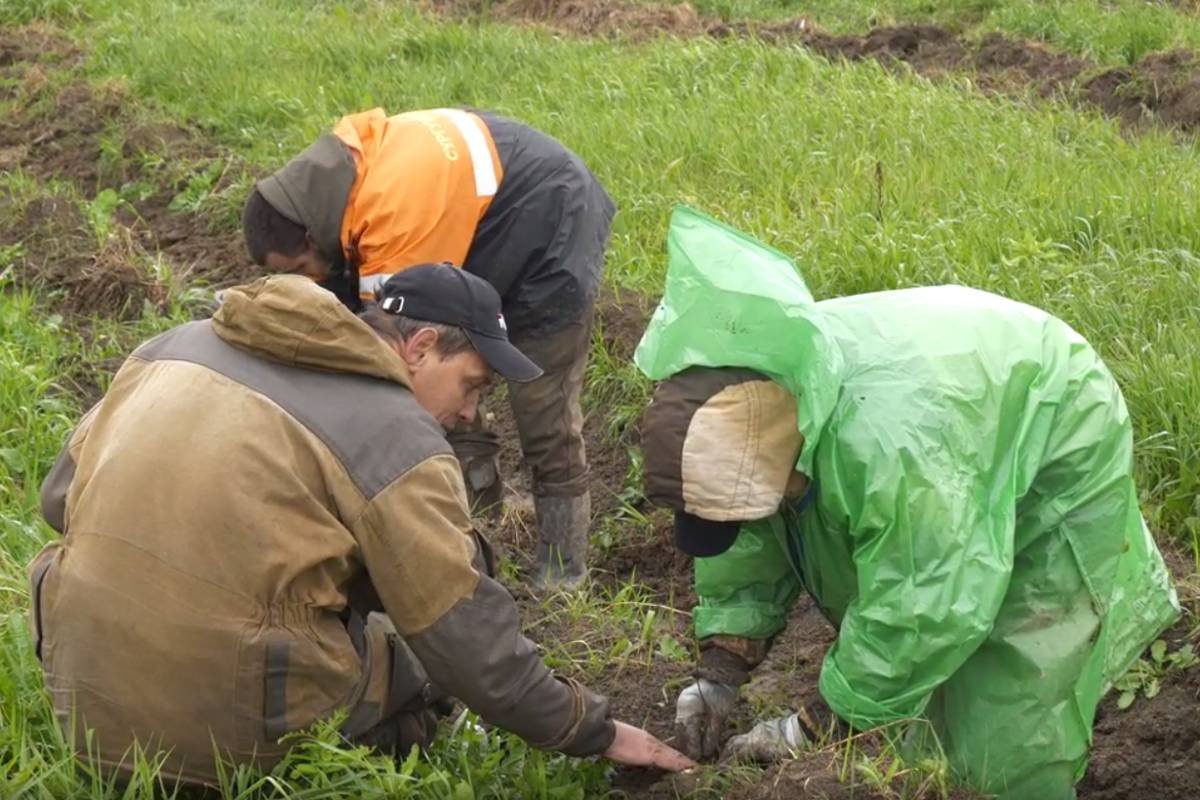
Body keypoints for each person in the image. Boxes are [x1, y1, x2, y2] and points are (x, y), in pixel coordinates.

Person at [27, 264, 692, 786]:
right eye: (474, 385)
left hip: (77, 704)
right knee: (417, 655)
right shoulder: (396, 437)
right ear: (422, 347)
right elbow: (465, 642)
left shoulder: (171, 348)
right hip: (223, 747)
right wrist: (593, 730)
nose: (471, 415)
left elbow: (60, 499)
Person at [633, 206, 1179, 799]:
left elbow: (927, 601)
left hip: (1052, 417)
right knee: (919, 683)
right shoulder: (756, 403)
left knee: (1009, 700)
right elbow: (752, 531)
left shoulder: (889, 453)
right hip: (948, 418)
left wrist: (815, 726)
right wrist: (720, 672)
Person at [241, 107, 615, 590]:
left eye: (301, 267)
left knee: (538, 403)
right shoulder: (335, 181)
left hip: (551, 224)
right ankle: (475, 531)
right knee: (445, 384)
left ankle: (564, 574)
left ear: (311, 235)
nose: (306, 280)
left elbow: (389, 366)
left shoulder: (395, 215)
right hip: (478, 220)